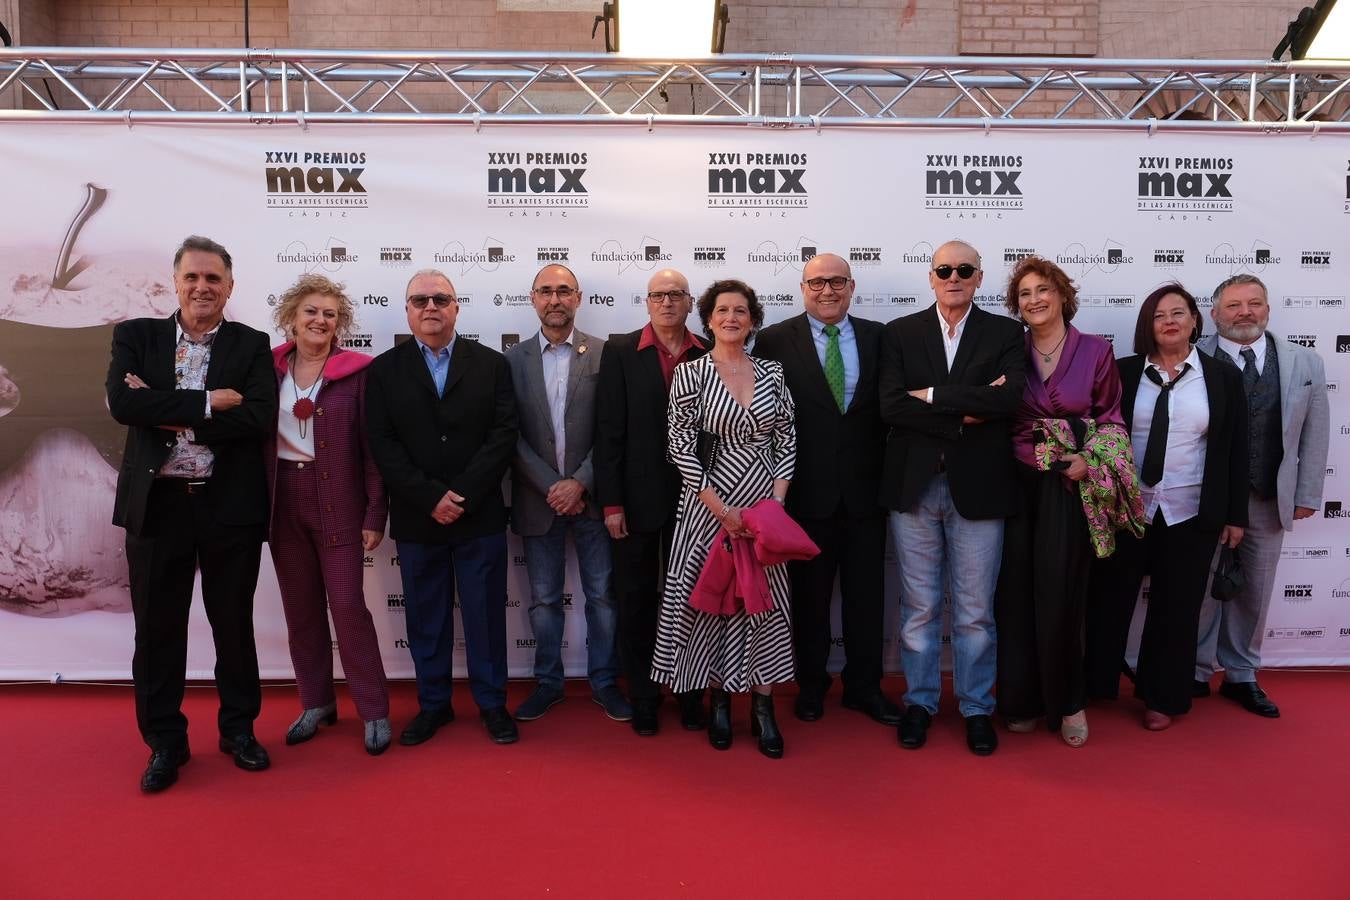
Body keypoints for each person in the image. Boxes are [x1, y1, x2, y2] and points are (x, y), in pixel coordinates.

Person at [107, 235, 277, 793]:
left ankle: (238, 731)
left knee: (233, 626)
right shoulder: (136, 336)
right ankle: (165, 743)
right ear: (174, 283)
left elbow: (254, 419)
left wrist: (162, 405)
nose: (202, 287)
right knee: (157, 631)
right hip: (158, 509)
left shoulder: (252, 345)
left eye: (213, 279)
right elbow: (122, 405)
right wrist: (208, 402)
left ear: (230, 287)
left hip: (228, 506)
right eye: (192, 278)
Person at [879, 239, 1024, 757]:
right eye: (945, 269)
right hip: (914, 486)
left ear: (980, 277)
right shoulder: (900, 333)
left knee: (974, 611)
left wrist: (935, 398)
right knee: (918, 607)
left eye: (965, 269)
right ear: (931, 276)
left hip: (980, 489)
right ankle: (919, 702)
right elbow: (892, 407)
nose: (954, 276)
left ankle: (976, 708)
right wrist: (969, 408)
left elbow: (1007, 400)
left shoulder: (1007, 332)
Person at [365, 269, 520, 746]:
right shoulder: (383, 370)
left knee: (486, 617)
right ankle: (434, 706)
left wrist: (462, 495)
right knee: (426, 619)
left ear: (456, 307)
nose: (430, 307)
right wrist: (429, 496)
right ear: (407, 311)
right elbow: (383, 444)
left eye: (440, 299)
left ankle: (492, 705)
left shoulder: (493, 365)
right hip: (418, 517)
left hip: (480, 517)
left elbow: (502, 437)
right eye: (420, 300)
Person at [1085, 283, 1247, 731]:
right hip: (1126, 508)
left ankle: (1163, 696)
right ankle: (1096, 683)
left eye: (1179, 312)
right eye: (1159, 316)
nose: (1170, 321)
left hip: (1190, 511)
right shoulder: (1122, 371)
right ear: (1147, 326)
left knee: (1177, 610)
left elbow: (1235, 449)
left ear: (1196, 319)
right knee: (1107, 600)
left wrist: (1236, 515)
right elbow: (1099, 432)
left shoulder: (1222, 377)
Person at [650, 279, 797, 759]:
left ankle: (762, 707)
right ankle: (718, 702)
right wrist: (723, 509)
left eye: (741, 311)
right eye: (722, 310)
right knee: (714, 606)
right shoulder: (691, 374)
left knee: (765, 607)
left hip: (763, 506)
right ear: (707, 318)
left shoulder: (773, 372)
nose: (731, 318)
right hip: (707, 506)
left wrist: (772, 506)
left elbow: (786, 442)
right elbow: (679, 447)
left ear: (753, 320)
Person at [751, 253, 897, 726]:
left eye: (836, 282)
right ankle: (810, 685)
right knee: (809, 600)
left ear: (852, 287)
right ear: (802, 288)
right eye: (817, 283)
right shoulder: (773, 340)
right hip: (802, 496)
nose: (827, 290)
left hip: (867, 494)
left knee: (866, 598)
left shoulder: (880, 337)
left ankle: (864, 687)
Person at [994, 256, 1132, 748]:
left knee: (1061, 593)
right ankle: (1021, 700)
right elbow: (996, 411)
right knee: (1013, 594)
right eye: (1025, 293)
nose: (1034, 300)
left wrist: (1088, 460)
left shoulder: (1095, 350)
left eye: (1043, 290)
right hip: (1014, 479)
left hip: (1068, 484)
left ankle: (1069, 701)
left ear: (1061, 295)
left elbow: (1112, 420)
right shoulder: (1010, 349)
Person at [265, 274, 391, 755]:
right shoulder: (267, 370)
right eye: (311, 311)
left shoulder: (359, 374)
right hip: (283, 504)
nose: (320, 320)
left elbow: (374, 451)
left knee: (347, 607)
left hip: (339, 502)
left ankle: (374, 709)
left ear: (340, 324)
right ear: (291, 318)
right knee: (301, 612)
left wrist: (375, 513)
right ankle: (315, 702)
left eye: (330, 314)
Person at [1194, 274, 1329, 717]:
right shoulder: (1195, 357)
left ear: (1268, 309)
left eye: (1254, 303)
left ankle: (1240, 674)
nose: (1245, 312)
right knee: (1201, 587)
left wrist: (1306, 491)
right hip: (1205, 496)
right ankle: (1194, 670)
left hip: (1270, 496)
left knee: (1255, 589)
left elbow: (1314, 433)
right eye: (1233, 305)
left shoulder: (1304, 362)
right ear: (1213, 314)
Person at [506, 264, 629, 724]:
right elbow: (509, 434)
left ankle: (604, 682)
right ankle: (548, 683)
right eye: (546, 291)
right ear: (533, 298)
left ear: (578, 298)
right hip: (538, 500)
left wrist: (581, 481)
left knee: (602, 596)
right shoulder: (511, 361)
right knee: (542, 600)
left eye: (564, 291)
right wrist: (552, 486)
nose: (555, 299)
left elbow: (615, 429)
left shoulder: (605, 354)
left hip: (593, 497)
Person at [594, 268, 709, 736]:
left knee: (692, 601)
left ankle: (690, 693)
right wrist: (612, 503)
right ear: (647, 302)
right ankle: (643, 694)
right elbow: (608, 433)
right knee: (637, 599)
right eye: (658, 295)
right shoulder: (621, 351)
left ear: (689, 301)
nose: (667, 302)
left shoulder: (709, 351)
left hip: (699, 499)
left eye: (676, 294)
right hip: (636, 501)